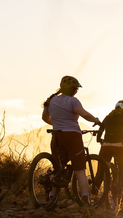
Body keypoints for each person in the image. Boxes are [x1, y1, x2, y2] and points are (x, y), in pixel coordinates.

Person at [42, 75, 101, 205]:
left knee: (57, 167)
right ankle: (86, 200)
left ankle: (52, 197)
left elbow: (45, 118)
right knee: (80, 170)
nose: (76, 91)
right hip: (72, 136)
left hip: (57, 136)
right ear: (73, 89)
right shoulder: (72, 101)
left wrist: (58, 123)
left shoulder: (51, 100)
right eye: (76, 89)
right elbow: (83, 113)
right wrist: (96, 120)